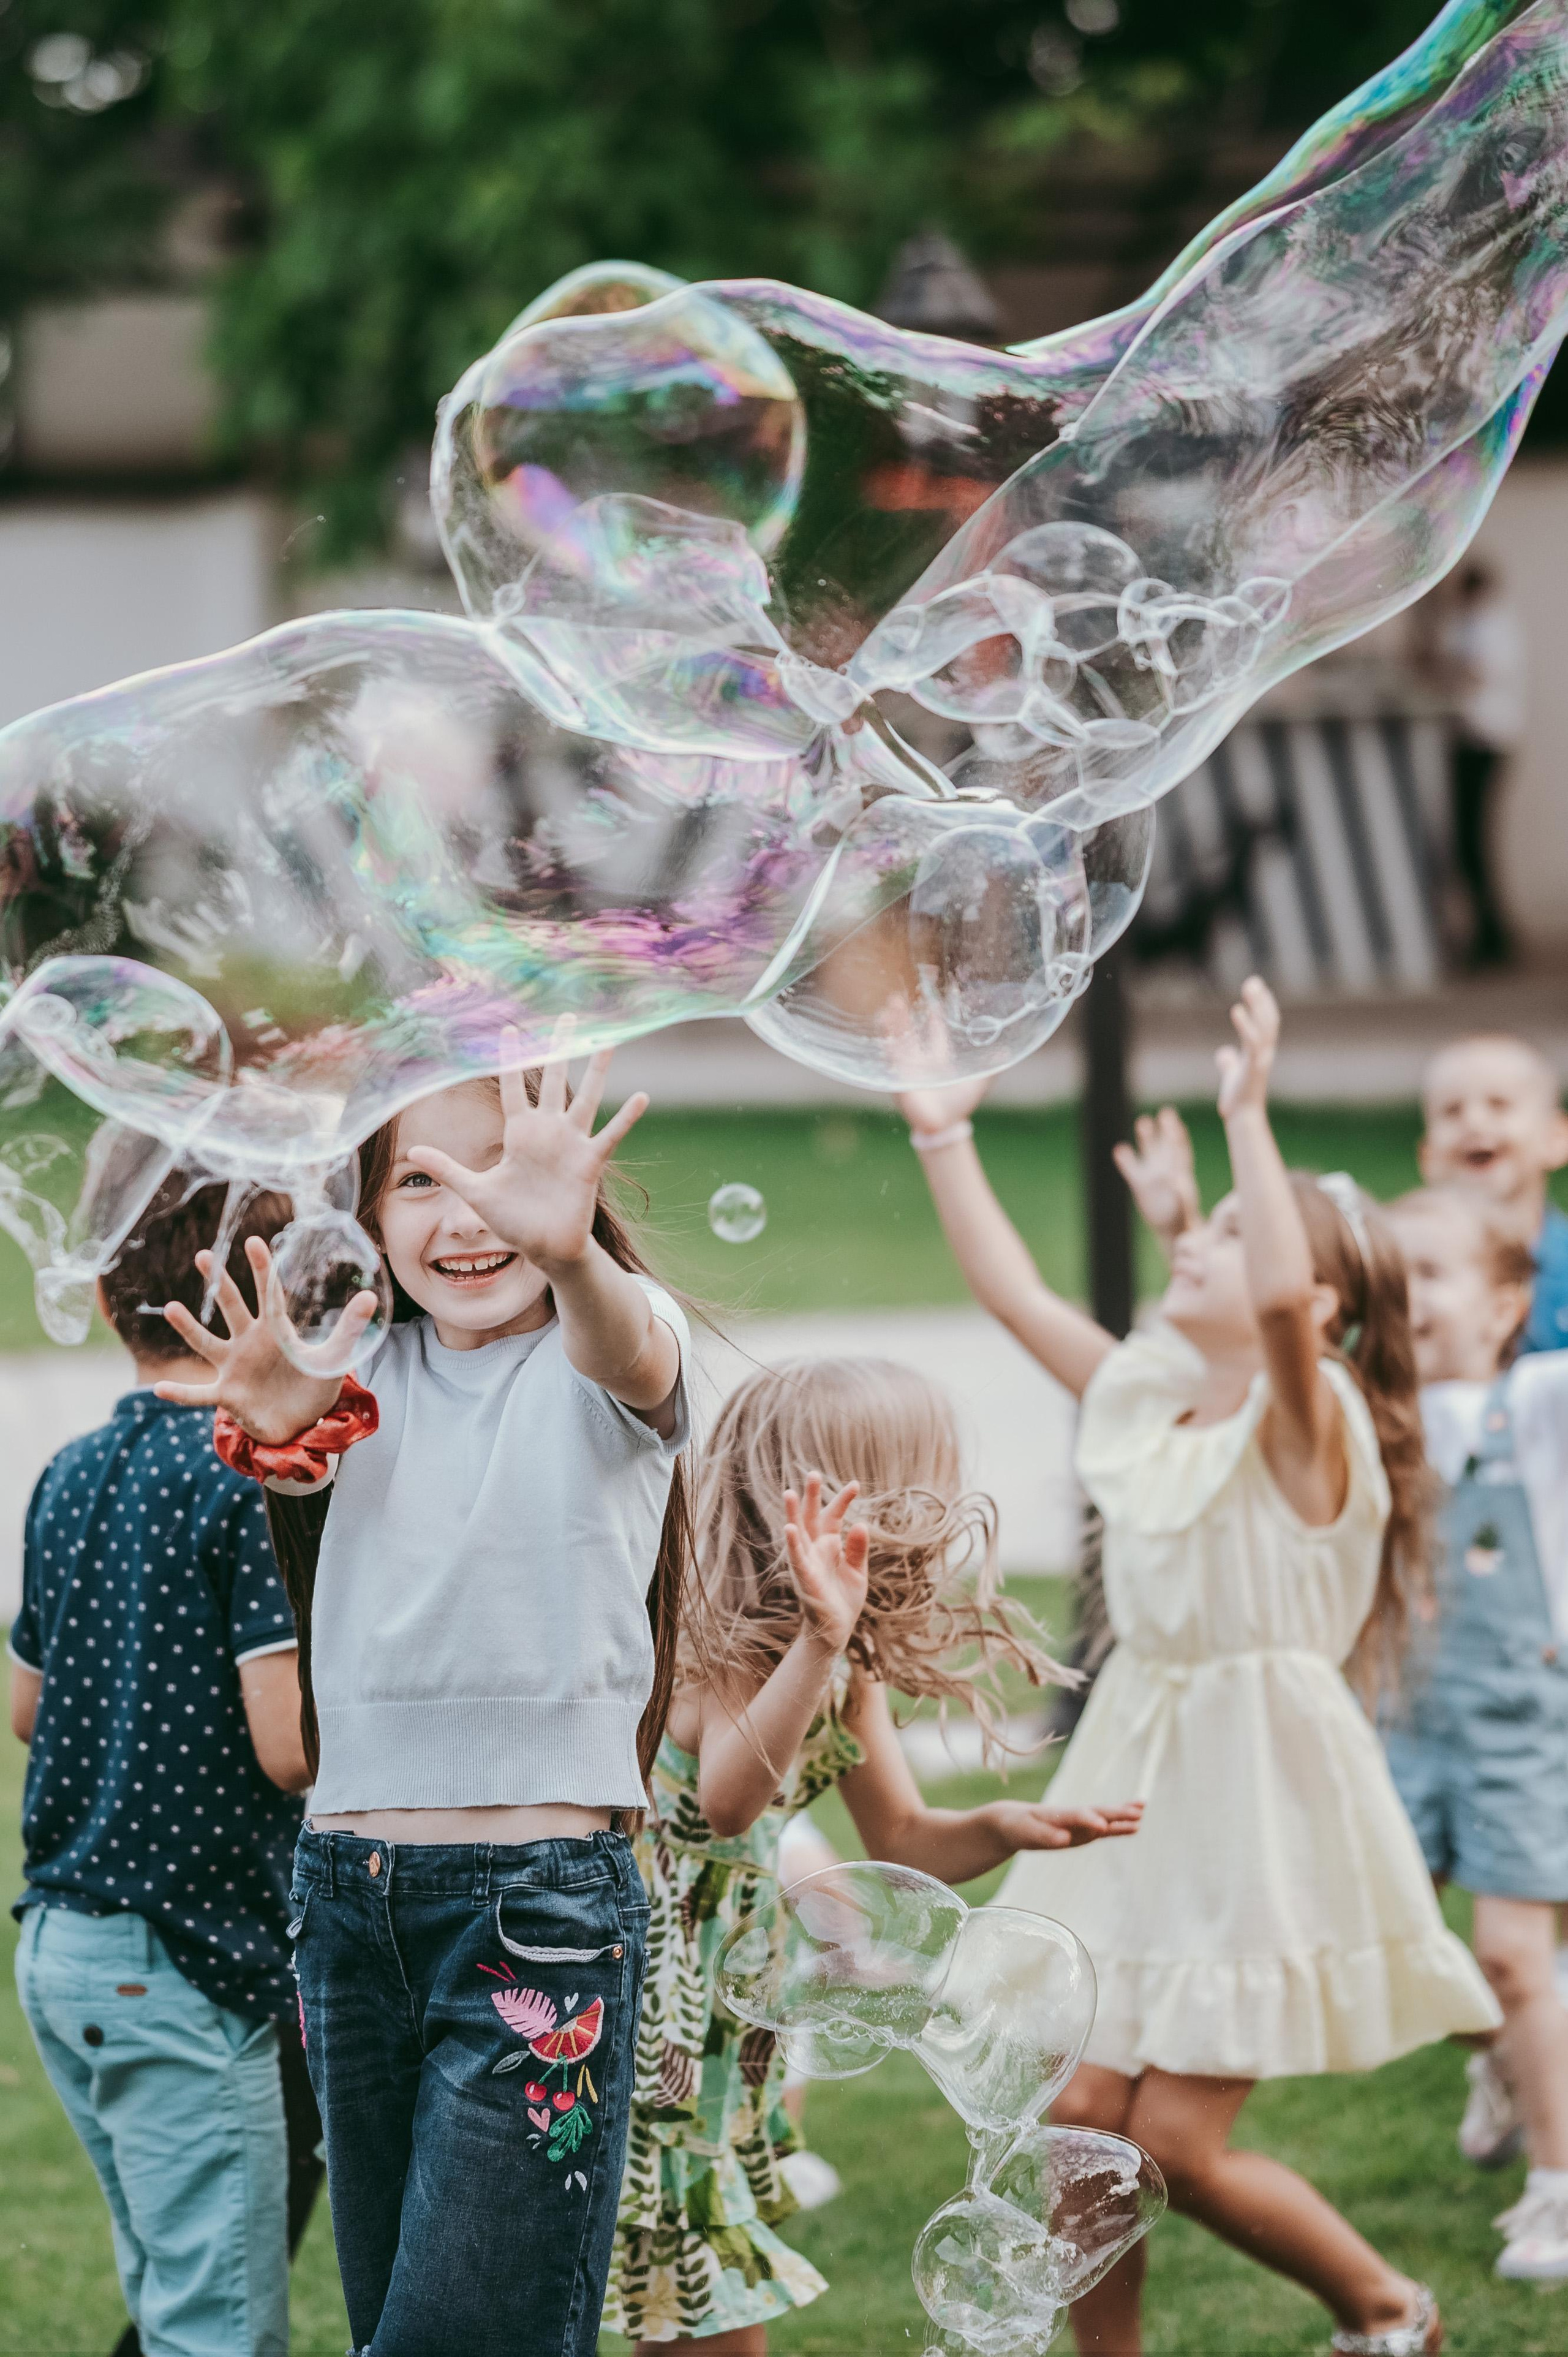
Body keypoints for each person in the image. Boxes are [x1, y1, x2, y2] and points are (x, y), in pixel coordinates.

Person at [897, 977, 1498, 2357]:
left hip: (1254, 1810)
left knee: (1170, 2133)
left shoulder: (1313, 1420)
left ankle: (1386, 2308)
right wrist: (938, 1133)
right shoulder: (1145, 1402)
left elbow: (1276, 1303)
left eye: (1235, 1233)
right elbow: (1008, 1295)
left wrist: (1247, 1116)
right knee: (1073, 2117)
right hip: (1135, 1785)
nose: (1203, 1242)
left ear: (1323, 1298)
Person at [157, 1039, 691, 2357]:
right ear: (362, 1211)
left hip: (539, 1912)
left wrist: (572, 1255)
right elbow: (288, 1454)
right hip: (345, 1904)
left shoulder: (603, 1352)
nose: (463, 1216)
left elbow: (631, 1352)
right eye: (415, 1181)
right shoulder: (353, 1380)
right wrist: (276, 1422)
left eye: (496, 1172)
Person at [603, 1356, 1144, 2354]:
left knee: (686, 2274)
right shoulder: (733, 1640)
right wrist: (817, 1634)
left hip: (729, 2002)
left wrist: (1005, 1825)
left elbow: (900, 1834)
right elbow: (728, 1802)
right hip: (654, 1997)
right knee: (696, 2269)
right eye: (926, 1480)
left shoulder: (841, 1658)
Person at [8, 1171, 319, 2357]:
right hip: (182, 1966)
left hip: (65, 1954)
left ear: (100, 1294)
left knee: (168, 2302)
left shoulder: (71, 1472)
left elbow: (28, 1710)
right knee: (215, 2332)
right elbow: (288, 1749)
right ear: (273, 1302)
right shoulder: (247, 1473)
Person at [1384, 1186, 1568, 2277]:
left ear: (1509, 1304)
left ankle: (1556, 2185)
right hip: (1394, 1723)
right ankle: (1514, 2048)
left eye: (1431, 1273)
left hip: (1515, 1728)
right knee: (1384, 1946)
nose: (1404, 1297)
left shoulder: (1540, 1404)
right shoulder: (1363, 1417)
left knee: (1509, 1951)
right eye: (1389, 1274)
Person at [1419, 1031, 1568, 1356]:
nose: (1473, 1121)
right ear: (1427, 1157)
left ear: (1555, 1139)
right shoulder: (1403, 1274)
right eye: (1452, 1111)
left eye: (1499, 1105)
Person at [1431, 561, 1526, 967]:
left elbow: (1475, 672)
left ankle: (1496, 936)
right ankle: (1490, 932)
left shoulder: (1493, 625)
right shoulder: (1471, 624)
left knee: (1473, 843)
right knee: (1469, 844)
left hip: (1486, 742)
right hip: (1473, 741)